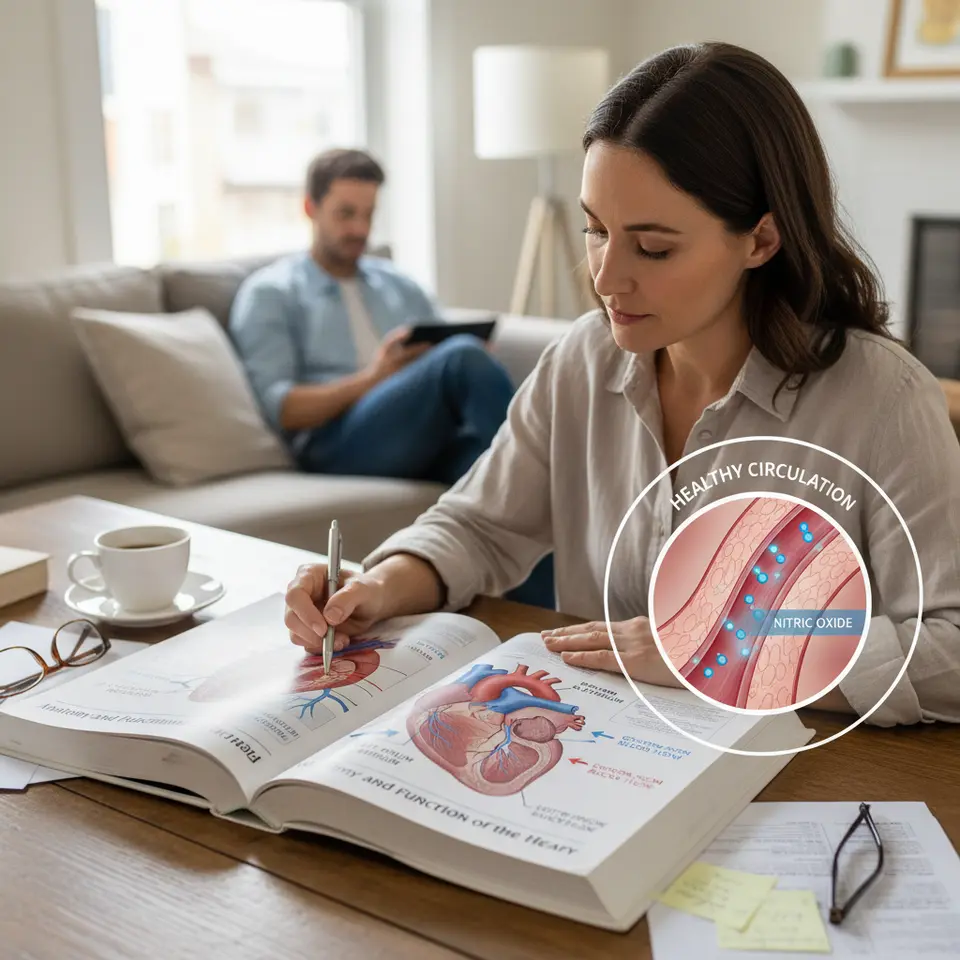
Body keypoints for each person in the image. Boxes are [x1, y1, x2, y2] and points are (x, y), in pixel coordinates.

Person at [282, 44, 960, 727]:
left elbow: (951, 647)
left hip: (798, 764)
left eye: (654, 248)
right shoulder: (582, 360)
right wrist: (377, 585)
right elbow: (480, 526)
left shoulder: (883, 399)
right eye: (596, 229)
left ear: (761, 240)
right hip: (592, 743)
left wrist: (725, 651)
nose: (606, 278)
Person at [229, 147, 514, 488]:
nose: (360, 229)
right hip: (332, 442)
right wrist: (375, 377)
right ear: (310, 208)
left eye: (369, 214)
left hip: (416, 433)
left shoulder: (398, 285)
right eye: (346, 214)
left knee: (491, 464)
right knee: (463, 358)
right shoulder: (271, 292)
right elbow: (283, 410)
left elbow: (446, 356)